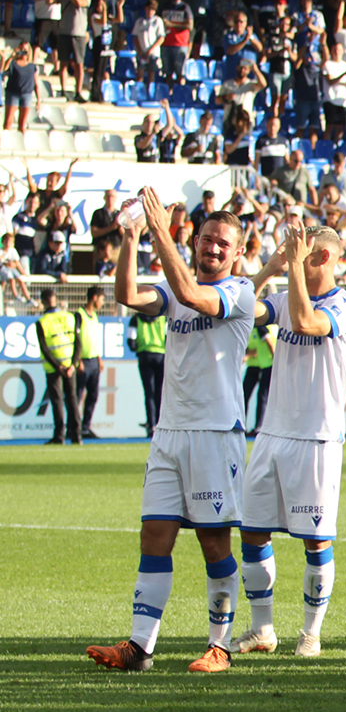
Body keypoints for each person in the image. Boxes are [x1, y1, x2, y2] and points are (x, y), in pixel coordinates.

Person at [87, 188, 255, 674]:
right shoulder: (177, 284)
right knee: (154, 535)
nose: (213, 248)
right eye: (207, 239)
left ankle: (220, 647)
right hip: (169, 433)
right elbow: (128, 296)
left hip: (214, 433)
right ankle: (140, 648)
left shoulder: (238, 292)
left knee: (213, 542)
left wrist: (161, 231)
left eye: (223, 243)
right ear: (195, 241)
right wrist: (131, 237)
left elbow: (190, 295)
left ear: (237, 252)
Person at [227, 223, 346, 661]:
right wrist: (269, 268)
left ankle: (310, 634)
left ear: (323, 257)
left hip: (316, 438)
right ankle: (262, 629)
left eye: (301, 251)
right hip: (272, 433)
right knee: (252, 532)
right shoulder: (284, 295)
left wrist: (293, 271)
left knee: (315, 541)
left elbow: (306, 322)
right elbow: (240, 309)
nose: (292, 256)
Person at [35, 289, 80, 446]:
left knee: (57, 401)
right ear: (55, 299)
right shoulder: (69, 317)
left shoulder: (42, 322)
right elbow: (78, 342)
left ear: (43, 302)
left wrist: (58, 366)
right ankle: (76, 436)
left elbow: (44, 348)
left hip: (54, 368)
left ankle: (59, 436)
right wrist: (73, 364)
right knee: (72, 399)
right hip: (70, 365)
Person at [128, 301, 168, 436]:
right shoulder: (162, 318)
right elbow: (168, 338)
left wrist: (138, 347)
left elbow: (131, 342)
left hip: (144, 356)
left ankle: (151, 425)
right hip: (160, 357)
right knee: (160, 392)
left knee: (149, 392)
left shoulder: (136, 319)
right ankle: (160, 423)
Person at [72, 285, 105, 440]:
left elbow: (93, 339)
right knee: (78, 395)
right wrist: (78, 360)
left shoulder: (95, 316)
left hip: (94, 361)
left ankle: (86, 427)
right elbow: (76, 338)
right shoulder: (79, 315)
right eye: (102, 299)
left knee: (93, 395)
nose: (102, 303)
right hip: (83, 361)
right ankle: (74, 427)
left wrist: (99, 359)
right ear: (94, 298)